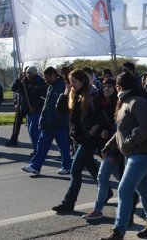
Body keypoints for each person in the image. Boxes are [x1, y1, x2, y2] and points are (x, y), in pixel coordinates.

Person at [100, 72, 147, 240]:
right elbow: (121, 129)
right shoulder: (126, 101)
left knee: (124, 190)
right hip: (133, 153)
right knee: (145, 192)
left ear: (120, 87)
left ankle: (118, 231)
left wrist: (128, 143)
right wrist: (110, 144)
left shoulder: (137, 102)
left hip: (141, 154)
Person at [52, 69, 101, 213]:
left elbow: (98, 114)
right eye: (70, 81)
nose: (71, 84)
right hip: (77, 137)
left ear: (83, 81)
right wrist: (65, 94)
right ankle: (107, 191)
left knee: (75, 170)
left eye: (74, 81)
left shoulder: (92, 94)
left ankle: (68, 203)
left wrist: (96, 127)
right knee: (92, 168)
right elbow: (60, 110)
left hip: (89, 138)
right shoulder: (73, 93)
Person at [81, 77, 120, 221]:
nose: (107, 89)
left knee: (107, 177)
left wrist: (108, 133)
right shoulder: (99, 103)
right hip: (105, 146)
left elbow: (120, 127)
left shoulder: (119, 103)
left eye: (110, 86)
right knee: (111, 177)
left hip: (117, 147)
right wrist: (99, 128)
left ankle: (97, 210)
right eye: (105, 87)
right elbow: (99, 120)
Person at [22, 67, 71, 174]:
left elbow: (63, 106)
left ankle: (67, 166)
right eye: (45, 77)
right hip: (47, 123)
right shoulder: (50, 87)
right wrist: (42, 119)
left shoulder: (63, 86)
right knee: (41, 147)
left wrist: (57, 118)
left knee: (63, 147)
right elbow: (46, 105)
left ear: (54, 75)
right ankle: (35, 166)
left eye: (48, 77)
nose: (46, 79)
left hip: (59, 123)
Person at [11, 65, 47, 156]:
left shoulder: (41, 82)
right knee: (31, 132)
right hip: (26, 110)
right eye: (27, 73)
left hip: (36, 111)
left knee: (35, 131)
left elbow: (43, 97)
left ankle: (39, 151)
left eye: (29, 73)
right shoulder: (24, 81)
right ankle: (37, 150)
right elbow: (14, 89)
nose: (27, 75)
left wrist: (34, 106)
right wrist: (18, 79)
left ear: (34, 73)